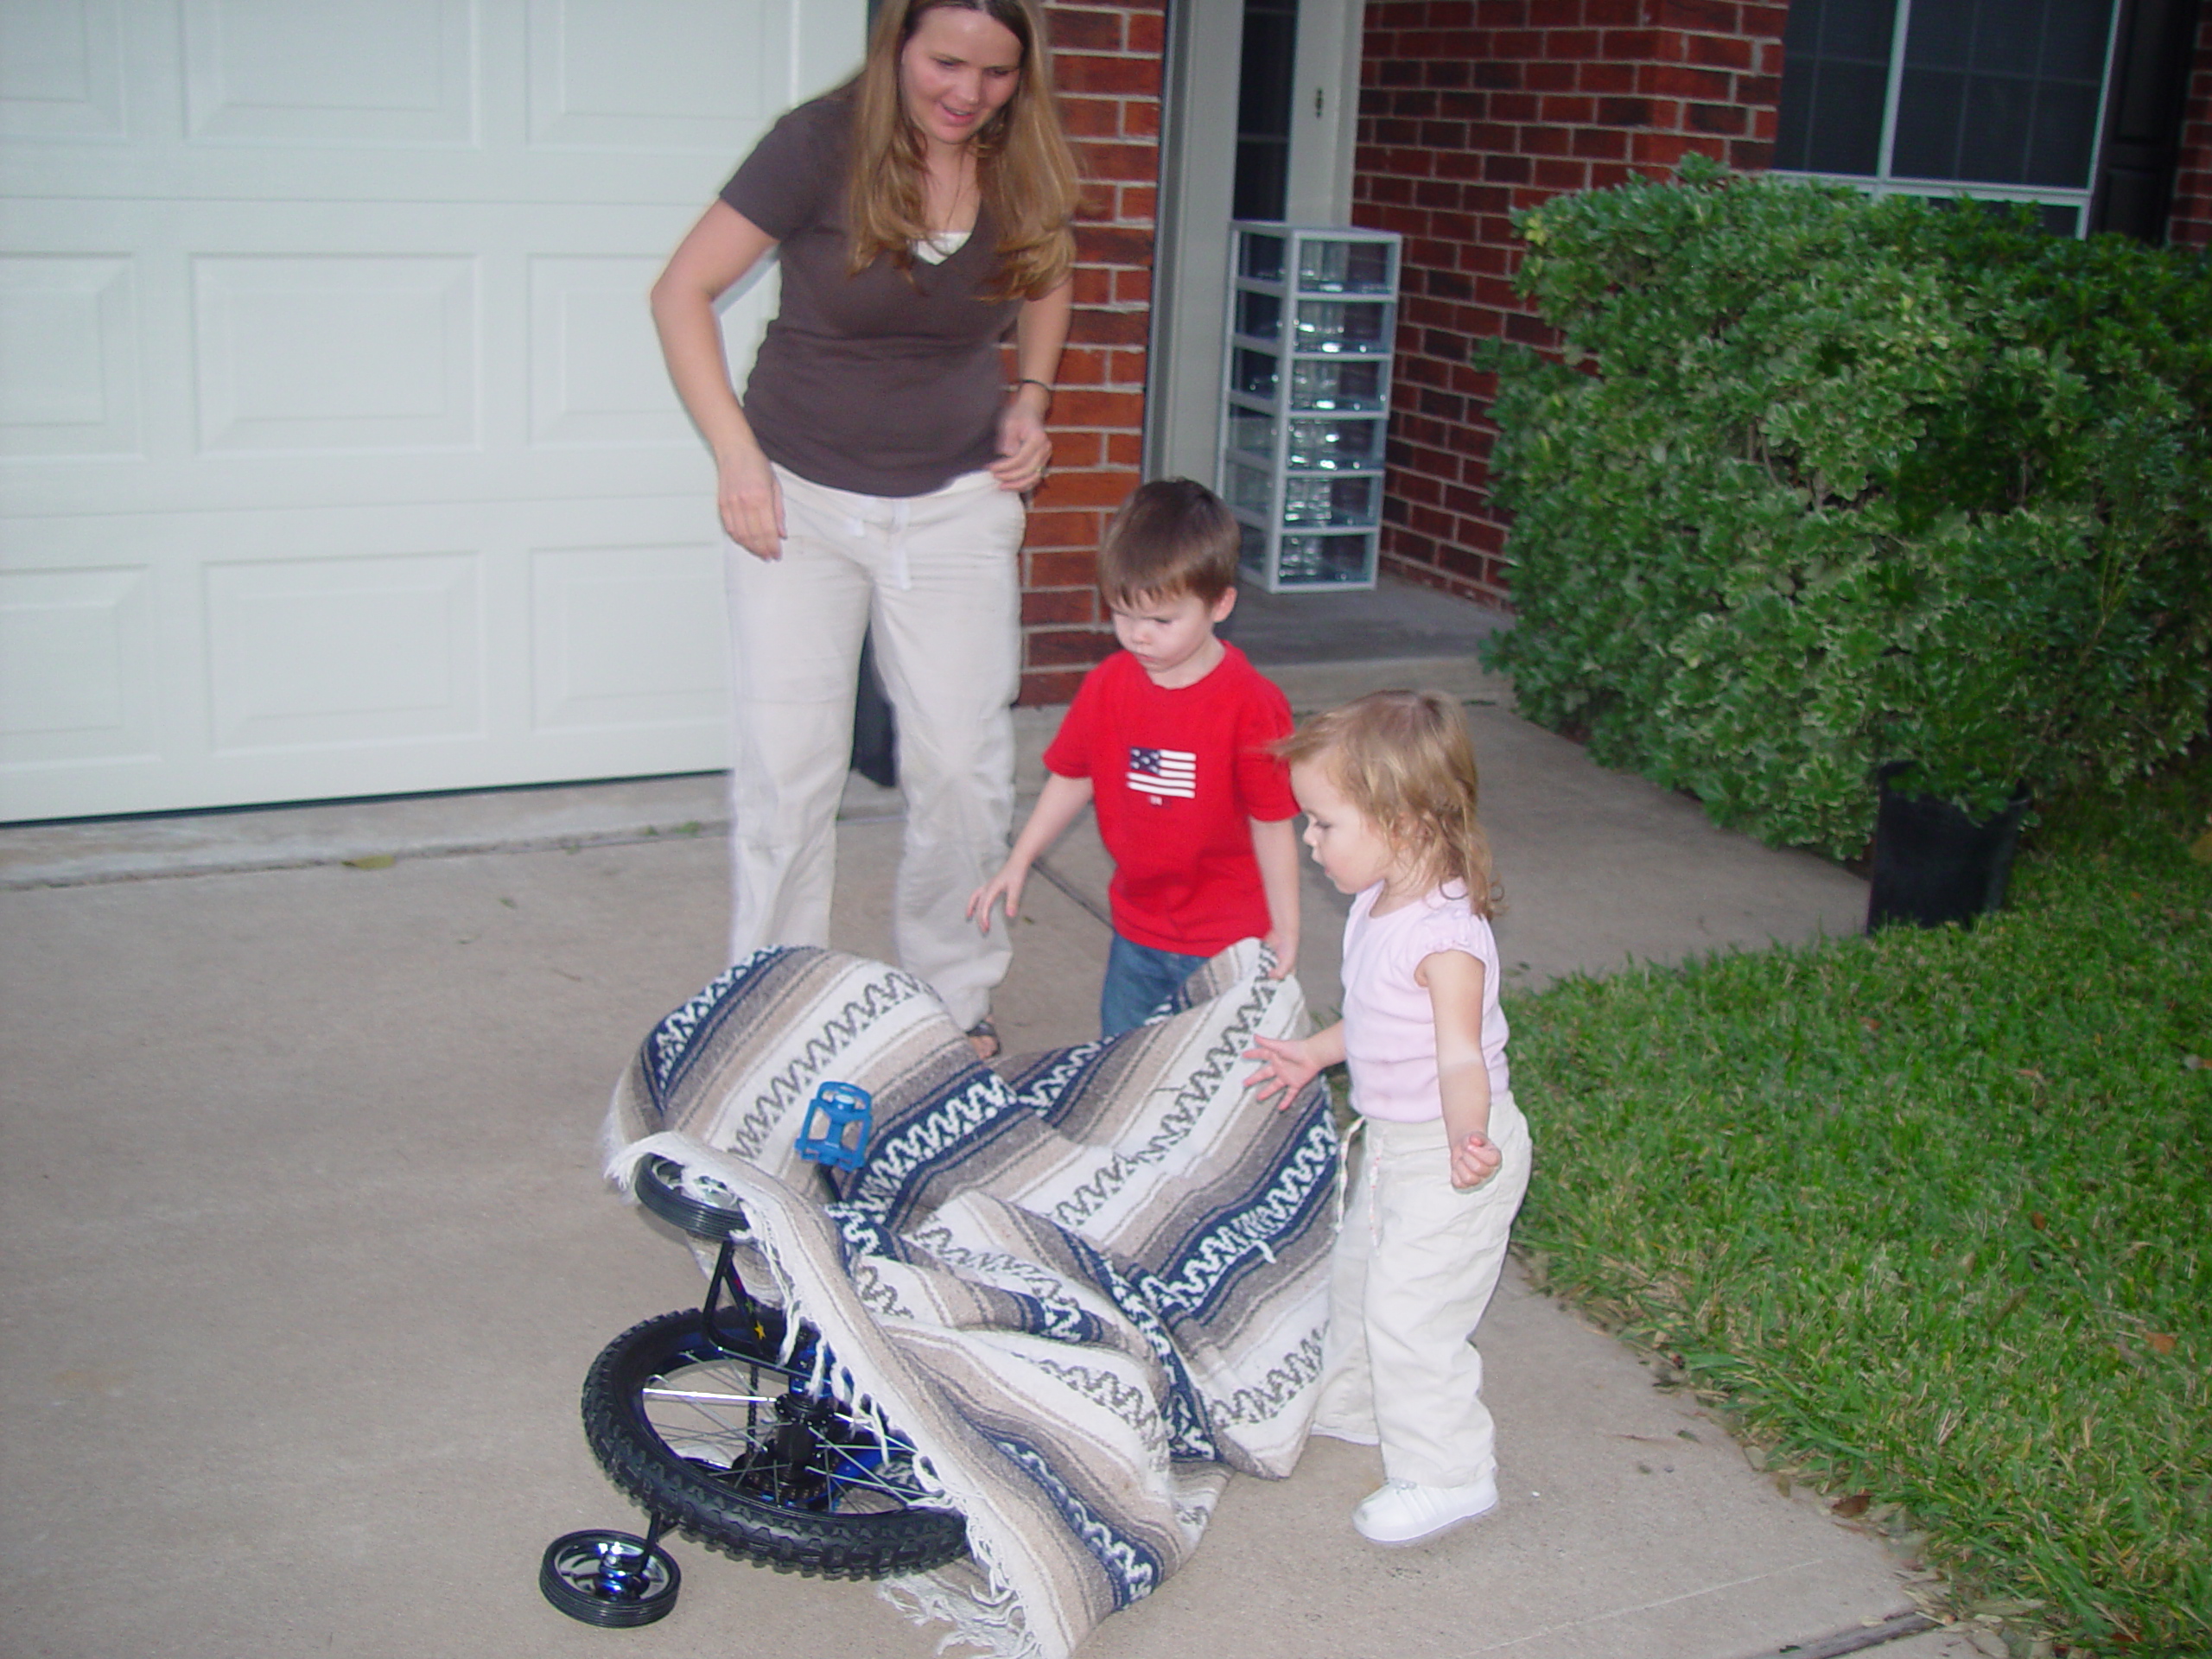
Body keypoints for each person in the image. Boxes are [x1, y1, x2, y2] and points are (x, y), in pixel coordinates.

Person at [649, 0, 1079, 1058]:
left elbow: (1050, 272)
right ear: (895, 45)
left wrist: (1029, 393)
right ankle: (772, 1011)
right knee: (788, 770)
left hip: (957, 504)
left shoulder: (1018, 161)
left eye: (994, 73)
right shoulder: (817, 146)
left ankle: (952, 1009)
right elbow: (681, 291)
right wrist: (736, 454)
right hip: (801, 502)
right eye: (944, 62)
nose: (966, 93)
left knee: (962, 768)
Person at [1243, 690, 1532, 1546]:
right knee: (1362, 1280)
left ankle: (1449, 1473)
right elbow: (1379, 1021)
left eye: (1324, 824)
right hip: (1401, 1152)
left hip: (1453, 1154)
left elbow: (1455, 1055)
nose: (1308, 838)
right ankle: (1360, 1407)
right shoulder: (1378, 903)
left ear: (1401, 826)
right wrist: (1317, 1052)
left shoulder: (1447, 940)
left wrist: (1464, 1136)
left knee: (1414, 1313)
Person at [966, 480, 1301, 1036]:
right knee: (1125, 1062)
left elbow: (1272, 824)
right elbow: (1074, 776)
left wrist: (1286, 926)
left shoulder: (1252, 706)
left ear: (1220, 603)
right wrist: (1019, 857)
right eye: (1122, 614)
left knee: (1220, 1073)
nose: (1138, 636)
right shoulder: (1109, 687)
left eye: (1162, 621)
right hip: (1138, 930)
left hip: (1229, 935)